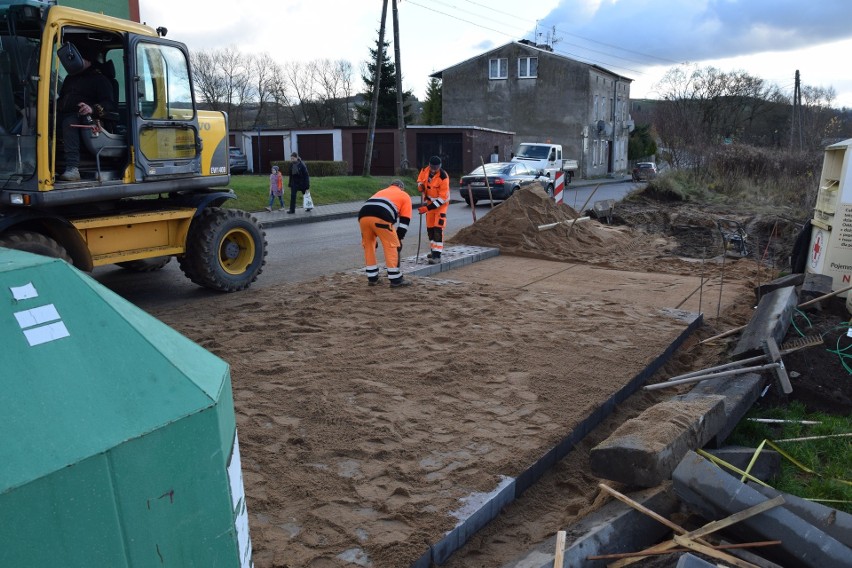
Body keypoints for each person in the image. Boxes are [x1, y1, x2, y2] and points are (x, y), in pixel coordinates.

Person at [57, 42, 115, 182]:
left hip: (88, 120)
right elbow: (63, 99)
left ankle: (73, 168)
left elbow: (109, 104)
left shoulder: (99, 79)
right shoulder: (70, 78)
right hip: (64, 114)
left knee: (70, 122)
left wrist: (92, 108)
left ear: (87, 59)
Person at [358, 179, 413, 288]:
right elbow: (405, 221)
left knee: (369, 245)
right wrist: (398, 238)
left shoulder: (380, 192)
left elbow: (369, 211)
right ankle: (395, 279)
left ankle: (372, 278)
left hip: (363, 216)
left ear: (391, 185)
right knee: (391, 245)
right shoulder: (404, 195)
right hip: (381, 217)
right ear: (401, 187)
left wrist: (365, 235)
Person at [416, 155, 451, 264]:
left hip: (441, 205)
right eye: (432, 167)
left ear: (439, 166)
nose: (434, 169)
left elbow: (442, 199)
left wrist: (426, 208)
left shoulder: (443, 177)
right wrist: (420, 186)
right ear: (429, 165)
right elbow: (420, 181)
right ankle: (433, 250)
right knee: (430, 229)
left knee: (437, 228)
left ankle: (437, 256)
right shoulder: (424, 170)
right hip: (430, 203)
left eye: (436, 167)